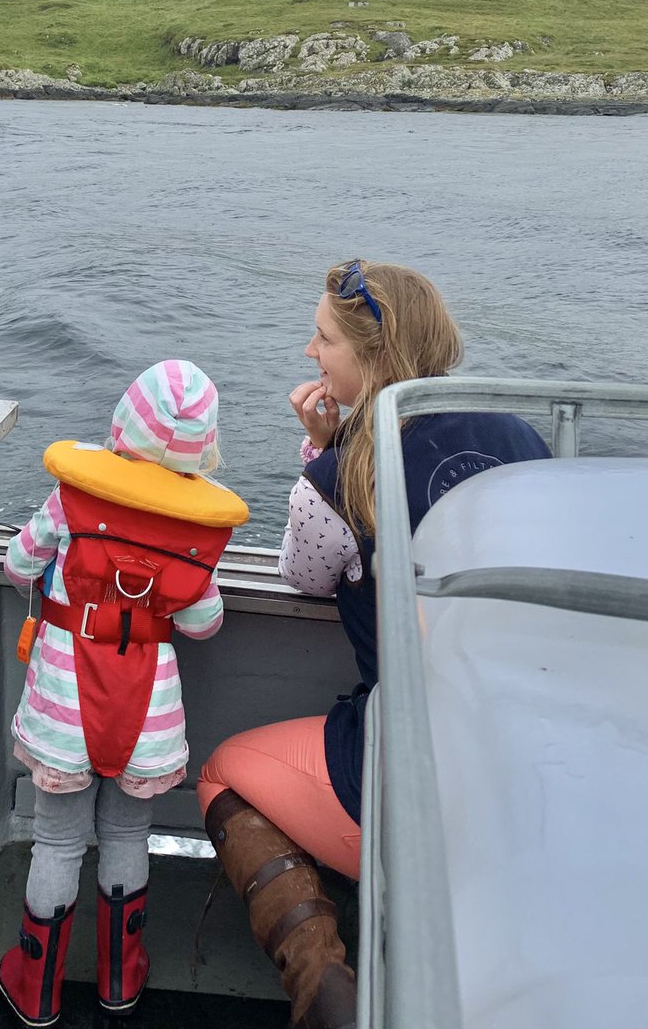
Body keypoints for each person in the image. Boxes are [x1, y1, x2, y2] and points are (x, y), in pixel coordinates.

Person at [197, 260, 550, 1029]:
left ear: (375, 355)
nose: (310, 352)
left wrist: (322, 453)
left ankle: (324, 989)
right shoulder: (523, 436)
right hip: (530, 749)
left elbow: (304, 575)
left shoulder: (338, 479)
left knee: (223, 773)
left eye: (324, 339)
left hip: (422, 755)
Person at [0, 360, 248, 1028]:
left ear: (122, 424)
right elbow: (203, 623)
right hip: (149, 714)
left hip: (63, 704)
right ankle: (120, 979)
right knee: (128, 833)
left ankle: (36, 989)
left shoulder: (72, 499)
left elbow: (17, 564)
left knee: (57, 843)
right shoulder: (198, 527)